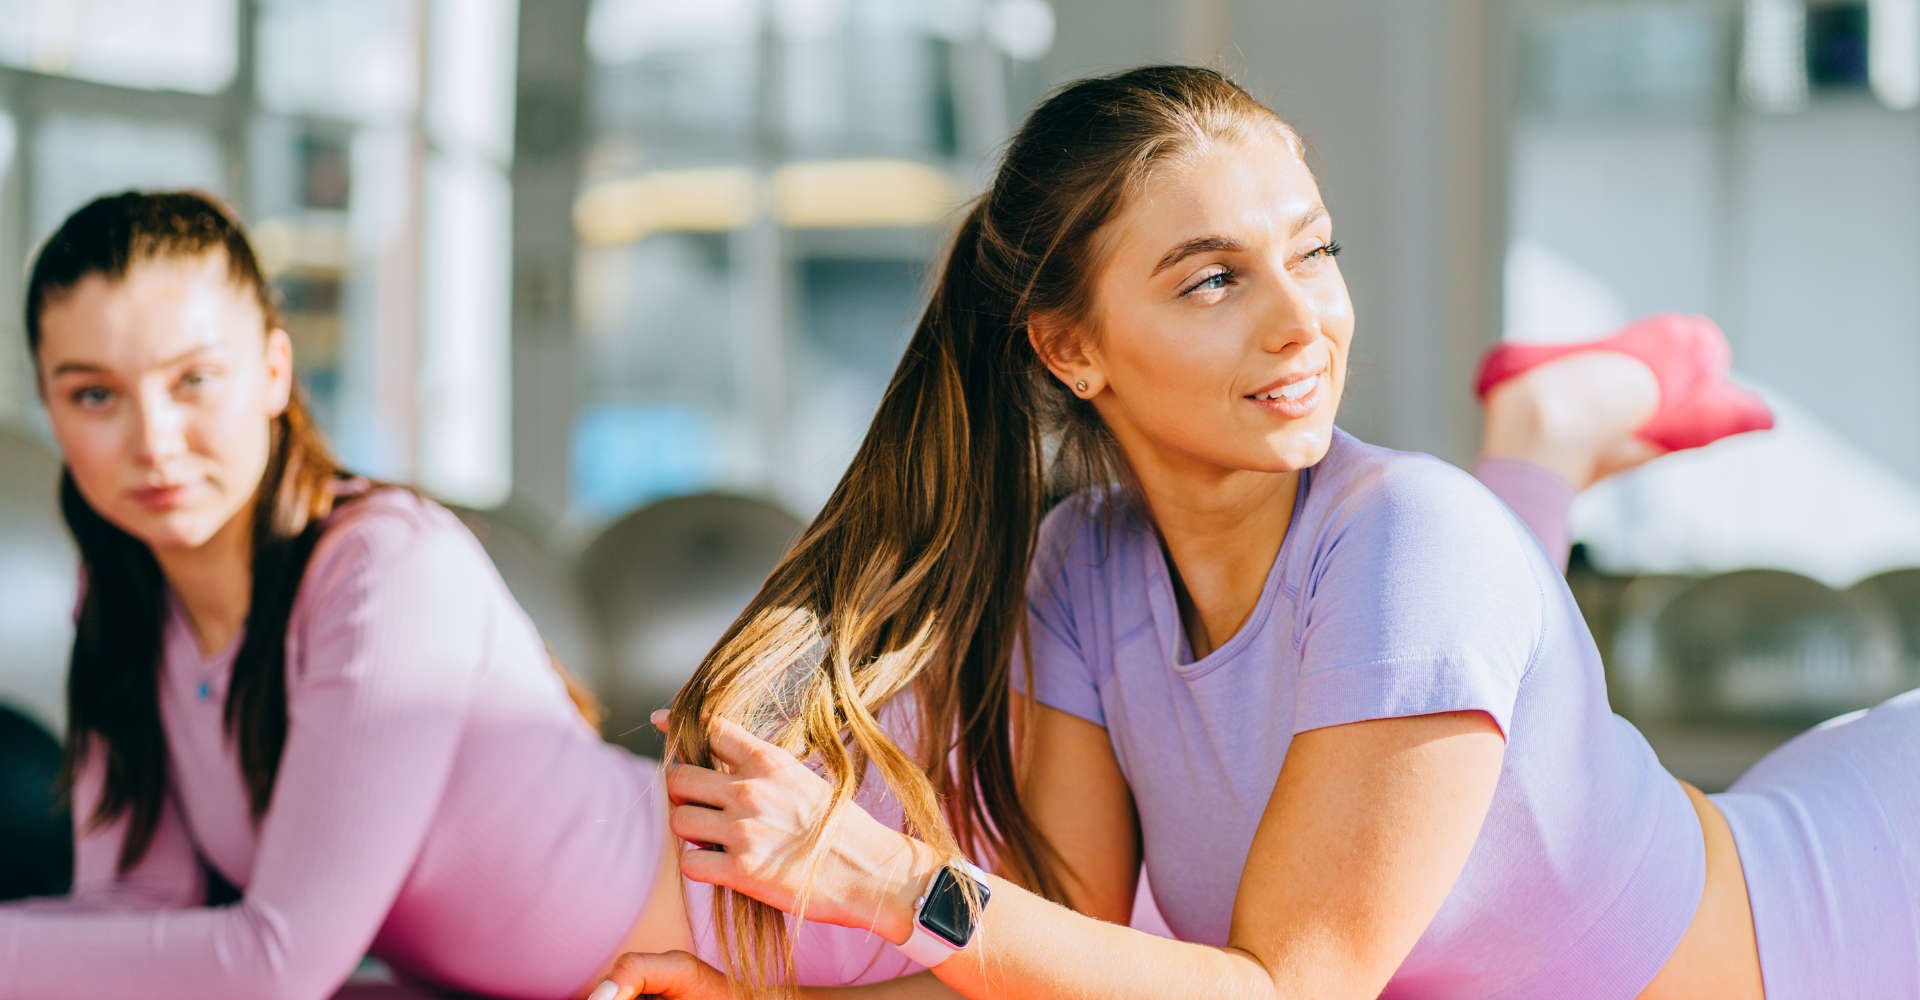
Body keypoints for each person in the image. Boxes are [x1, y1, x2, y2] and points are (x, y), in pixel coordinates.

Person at [595, 66, 1914, 1000]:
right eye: (1215, 279)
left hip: (1860, 917)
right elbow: (1048, 966)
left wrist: (891, 881)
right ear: (1071, 348)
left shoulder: (1415, 538)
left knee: (1451, 572)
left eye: (1314, 253)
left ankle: (1551, 435)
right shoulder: (1086, 573)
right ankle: (1550, 433)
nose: (1301, 322)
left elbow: (1283, 996)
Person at [0, 190, 694, 1000]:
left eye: (193, 380)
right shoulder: (123, 595)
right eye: (94, 395)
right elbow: (140, 906)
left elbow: (278, 966)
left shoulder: (383, 567)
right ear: (47, 405)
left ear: (272, 372)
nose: (152, 441)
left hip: (770, 935)